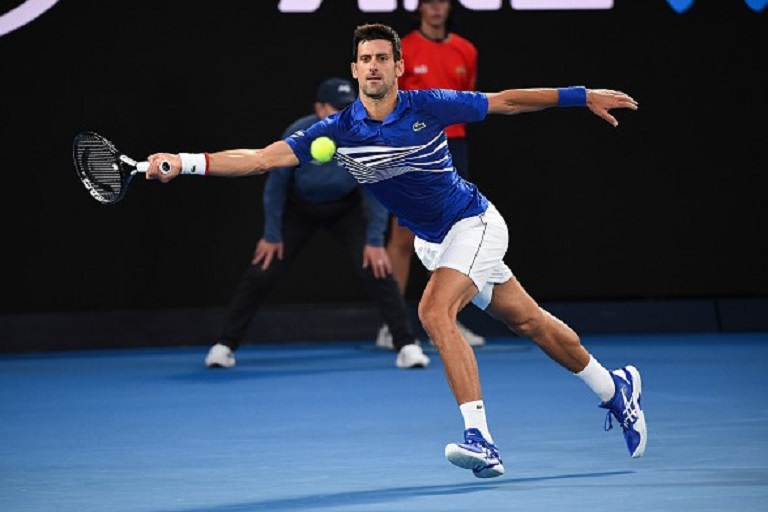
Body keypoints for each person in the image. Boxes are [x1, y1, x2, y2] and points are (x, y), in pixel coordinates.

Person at [146, 23, 646, 478]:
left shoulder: (428, 105)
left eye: (383, 58)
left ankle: (482, 439)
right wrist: (187, 162)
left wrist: (581, 96)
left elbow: (506, 101)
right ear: (355, 69)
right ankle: (613, 389)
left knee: (433, 310)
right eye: (365, 59)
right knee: (530, 322)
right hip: (435, 244)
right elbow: (259, 159)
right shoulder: (338, 131)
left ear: (398, 67)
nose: (373, 66)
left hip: (473, 224)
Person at [204, 77, 430, 371]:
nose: (344, 113)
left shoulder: (363, 132)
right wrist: (272, 234)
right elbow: (275, 187)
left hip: (345, 209)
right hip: (299, 209)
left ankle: (407, 344)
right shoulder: (298, 133)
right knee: (262, 271)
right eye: (336, 108)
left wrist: (375, 240)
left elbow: (374, 189)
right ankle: (225, 345)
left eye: (349, 107)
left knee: (377, 268)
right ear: (319, 108)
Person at [378, 0, 484, 349]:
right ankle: (392, 325)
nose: (436, 8)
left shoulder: (466, 50)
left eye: (442, 2)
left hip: (455, 147)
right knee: (403, 236)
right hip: (413, 148)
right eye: (430, 2)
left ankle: (448, 322)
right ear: (420, 7)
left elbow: (468, 101)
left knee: (451, 238)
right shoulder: (403, 49)